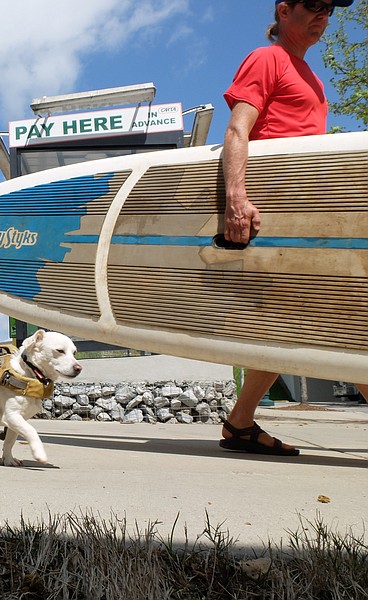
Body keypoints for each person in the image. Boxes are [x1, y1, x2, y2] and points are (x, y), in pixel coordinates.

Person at [220, 0, 367, 456]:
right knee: (344, 318)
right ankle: (239, 424)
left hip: (309, 215)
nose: (324, 16)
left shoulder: (313, 79)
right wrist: (235, 198)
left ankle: (240, 423)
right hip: (277, 217)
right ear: (284, 11)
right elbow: (237, 131)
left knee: (292, 327)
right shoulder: (268, 59)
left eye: (330, 9)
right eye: (315, 6)